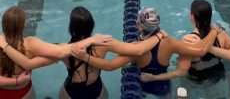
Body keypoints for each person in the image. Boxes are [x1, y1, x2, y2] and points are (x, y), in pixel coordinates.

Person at [0, 6, 174, 99]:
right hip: (96, 91)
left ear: (71, 27)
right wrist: (158, 36)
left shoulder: (62, 49)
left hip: (71, 92)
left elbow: (30, 64)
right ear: (92, 25)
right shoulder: (104, 43)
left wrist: (6, 46)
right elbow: (138, 49)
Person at [0, 6, 113, 99]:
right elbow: (61, 52)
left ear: (2, 25)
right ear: (23, 26)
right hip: (24, 93)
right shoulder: (31, 44)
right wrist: (90, 39)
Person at [70, 8, 219, 97]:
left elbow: (110, 66)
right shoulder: (169, 41)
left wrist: (85, 56)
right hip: (163, 85)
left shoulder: (135, 48)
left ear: (138, 25)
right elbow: (200, 50)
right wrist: (213, 31)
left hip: (141, 85)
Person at [140, 0, 230, 83]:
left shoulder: (188, 40)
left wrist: (153, 78)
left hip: (196, 79)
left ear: (192, 16)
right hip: (218, 75)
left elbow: (181, 72)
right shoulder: (222, 35)